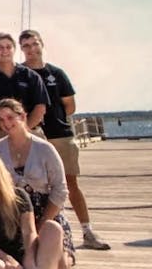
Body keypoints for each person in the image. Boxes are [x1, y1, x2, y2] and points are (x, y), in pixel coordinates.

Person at [19, 29, 110, 250]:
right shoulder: (20, 75)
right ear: (21, 49)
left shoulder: (56, 74)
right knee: (33, 187)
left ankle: (87, 231)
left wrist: (55, 120)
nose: (32, 49)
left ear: (42, 44)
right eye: (26, 46)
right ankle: (39, 236)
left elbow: (69, 105)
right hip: (33, 137)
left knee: (70, 183)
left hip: (60, 135)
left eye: (34, 44)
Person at [0, 98, 76, 269]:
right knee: (26, 258)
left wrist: (43, 221)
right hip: (14, 213)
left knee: (60, 268)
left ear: (22, 116)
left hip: (47, 210)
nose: (6, 123)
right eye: (1, 120)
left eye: (10, 117)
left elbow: (60, 190)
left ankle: (63, 256)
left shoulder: (45, 149)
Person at [0, 33, 48, 137]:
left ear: (14, 49)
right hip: (2, 135)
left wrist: (24, 130)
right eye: (0, 47)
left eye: (8, 47)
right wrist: (8, 129)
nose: (5, 51)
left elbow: (40, 107)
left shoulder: (31, 76)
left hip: (32, 131)